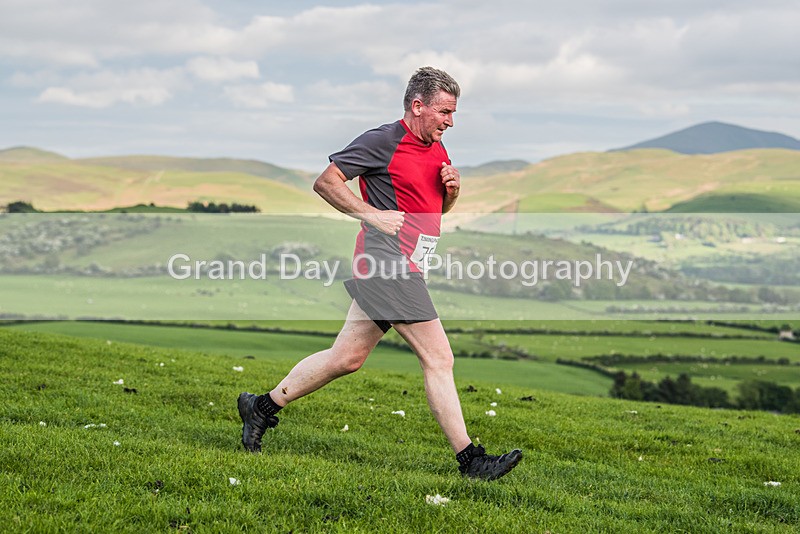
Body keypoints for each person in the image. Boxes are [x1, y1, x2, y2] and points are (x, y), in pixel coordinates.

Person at [238, 67, 522, 481]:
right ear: (417, 105)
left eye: (453, 113)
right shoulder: (382, 141)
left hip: (408, 266)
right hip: (388, 265)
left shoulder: (438, 149)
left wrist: (453, 193)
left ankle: (260, 407)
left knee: (346, 358)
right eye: (444, 111)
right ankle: (471, 461)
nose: (450, 121)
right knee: (439, 358)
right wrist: (370, 214)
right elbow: (327, 182)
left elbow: (434, 210)